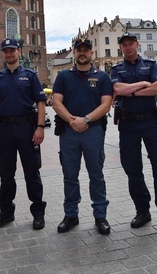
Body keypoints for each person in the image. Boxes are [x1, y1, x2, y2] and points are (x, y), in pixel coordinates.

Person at [111, 32, 157, 240]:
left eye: (131, 43)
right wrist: (143, 85)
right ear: (120, 47)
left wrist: (131, 91)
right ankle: (143, 211)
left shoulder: (151, 64)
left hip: (151, 123)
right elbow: (117, 89)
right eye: (124, 45)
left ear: (137, 44)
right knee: (133, 170)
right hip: (128, 124)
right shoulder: (116, 69)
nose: (128, 47)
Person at [0, 38, 47, 230]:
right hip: (5, 130)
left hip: (27, 129)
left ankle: (38, 213)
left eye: (12, 50)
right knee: (6, 174)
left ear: (19, 51)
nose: (9, 54)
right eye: (6, 51)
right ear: (3, 54)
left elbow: (41, 102)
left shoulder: (30, 75)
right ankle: (6, 212)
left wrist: (40, 127)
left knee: (32, 172)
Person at [52, 38, 113, 235]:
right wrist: (72, 121)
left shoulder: (102, 76)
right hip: (69, 132)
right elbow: (56, 102)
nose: (82, 53)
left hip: (93, 131)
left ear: (91, 53)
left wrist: (85, 120)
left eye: (86, 50)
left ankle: (100, 216)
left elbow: (106, 105)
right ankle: (71, 215)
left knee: (96, 174)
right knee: (70, 175)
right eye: (79, 50)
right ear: (74, 52)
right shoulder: (63, 76)